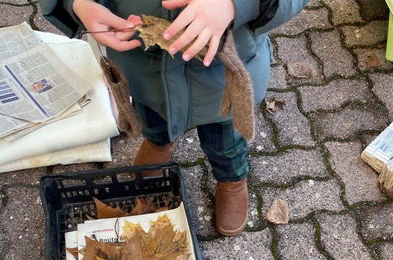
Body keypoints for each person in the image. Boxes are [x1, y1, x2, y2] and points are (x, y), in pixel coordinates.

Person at [40, 0, 308, 236]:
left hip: (220, 69)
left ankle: (231, 178)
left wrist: (236, 5)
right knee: (154, 118)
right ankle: (159, 143)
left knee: (224, 140)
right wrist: (77, 3)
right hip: (143, 62)